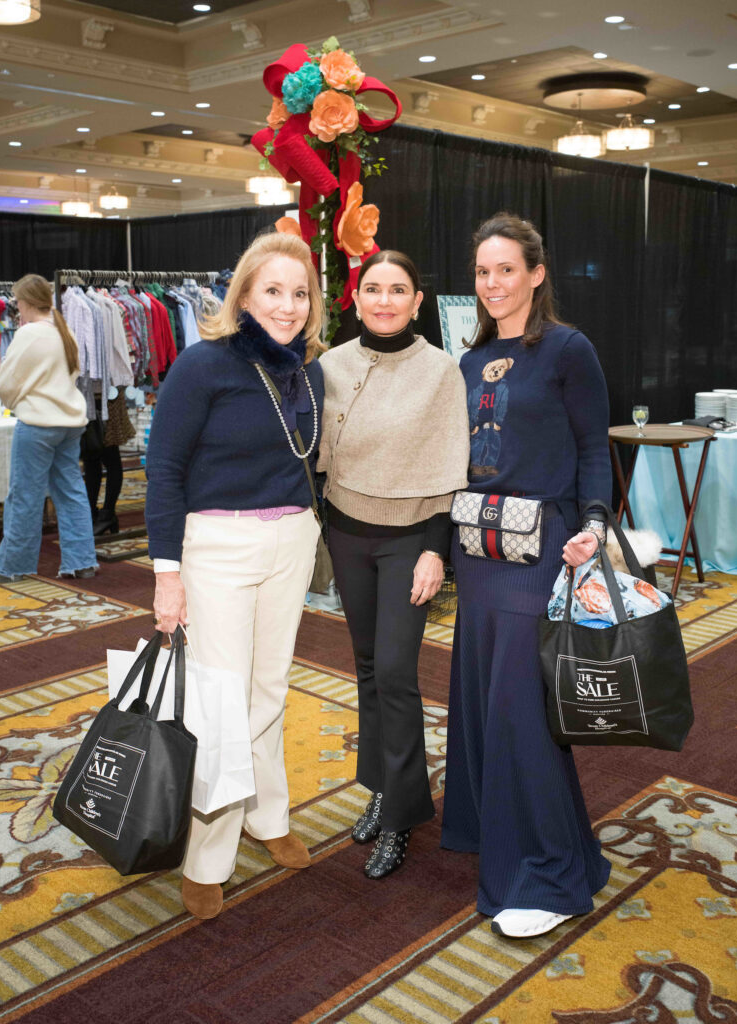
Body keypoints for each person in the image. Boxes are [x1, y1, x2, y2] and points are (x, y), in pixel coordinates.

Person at [441, 213, 612, 939]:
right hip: (479, 552)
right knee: (487, 698)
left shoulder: (569, 349)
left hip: (542, 552)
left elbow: (593, 448)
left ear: (536, 274)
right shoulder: (469, 360)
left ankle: (548, 874)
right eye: (483, 272)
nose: (493, 283)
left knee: (520, 711)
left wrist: (595, 524)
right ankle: (544, 846)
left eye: (506, 269)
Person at [145, 232, 325, 920]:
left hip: (291, 541)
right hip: (217, 545)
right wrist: (167, 574)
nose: (287, 305)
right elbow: (164, 471)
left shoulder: (309, 370)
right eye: (272, 290)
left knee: (268, 689)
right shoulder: (203, 364)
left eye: (300, 293)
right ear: (244, 294)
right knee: (219, 703)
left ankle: (266, 815)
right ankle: (207, 854)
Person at [317, 251, 470, 879]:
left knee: (398, 674)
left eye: (398, 289)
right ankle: (382, 789)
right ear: (356, 299)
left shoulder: (441, 371)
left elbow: (451, 466)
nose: (385, 300)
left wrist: (436, 549)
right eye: (373, 289)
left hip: (411, 539)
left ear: (417, 301)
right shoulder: (330, 365)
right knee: (368, 668)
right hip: (347, 533)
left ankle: (403, 815)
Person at [0, 274, 97, 585]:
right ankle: (82, 561)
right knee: (71, 492)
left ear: (27, 302)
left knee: (24, 496)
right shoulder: (64, 331)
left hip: (39, 424)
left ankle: (11, 566)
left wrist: (17, 402)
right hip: (69, 424)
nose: (17, 307)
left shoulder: (29, 333)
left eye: (18, 301)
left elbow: (4, 382)